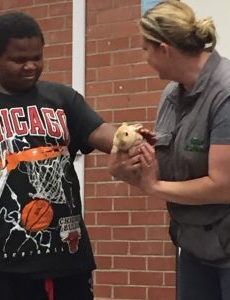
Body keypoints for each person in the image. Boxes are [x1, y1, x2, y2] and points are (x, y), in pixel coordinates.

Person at [0, 12, 116, 300]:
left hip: (66, 259)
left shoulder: (62, 98)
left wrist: (127, 140)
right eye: (19, 60)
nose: (30, 66)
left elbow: (99, 131)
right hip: (2, 265)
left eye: (37, 58)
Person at [108, 1, 230, 300]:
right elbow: (169, 166)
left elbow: (223, 186)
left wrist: (154, 187)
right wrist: (127, 167)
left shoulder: (225, 93)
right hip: (193, 245)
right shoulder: (171, 95)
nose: (145, 58)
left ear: (164, 49)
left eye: (145, 49)